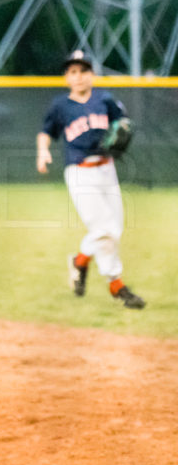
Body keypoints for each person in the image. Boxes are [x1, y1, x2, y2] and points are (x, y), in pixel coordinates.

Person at [36, 49, 145, 309]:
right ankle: (116, 285)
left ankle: (80, 260)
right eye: (73, 72)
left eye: (84, 70)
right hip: (80, 171)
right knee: (104, 228)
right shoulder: (60, 106)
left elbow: (124, 124)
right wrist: (43, 151)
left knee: (114, 230)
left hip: (107, 169)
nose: (79, 76)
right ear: (66, 78)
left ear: (92, 75)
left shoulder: (105, 100)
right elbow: (45, 131)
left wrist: (123, 131)